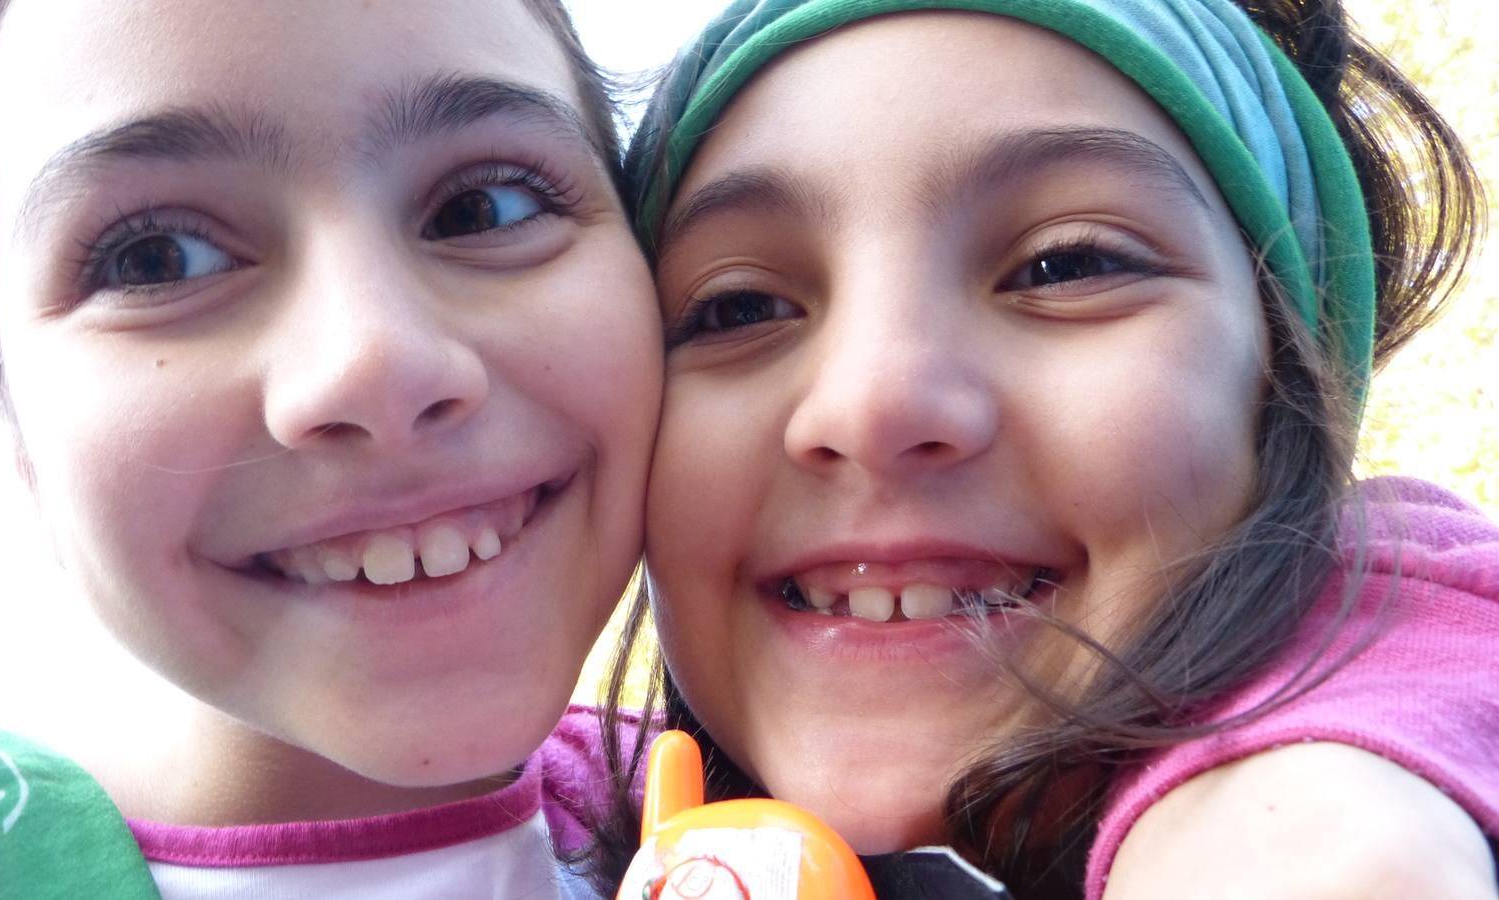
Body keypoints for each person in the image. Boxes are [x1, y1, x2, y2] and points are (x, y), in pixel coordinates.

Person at [587, 1, 1499, 897]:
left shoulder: (1400, 715)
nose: (871, 404)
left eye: (1066, 265)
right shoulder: (539, 816)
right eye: (738, 309)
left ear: (1285, 388)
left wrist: (1290, 792)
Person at [0, 0, 660, 896]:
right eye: (156, 260)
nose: (375, 365)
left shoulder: (779, 803)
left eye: (480, 208)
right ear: (11, 423)